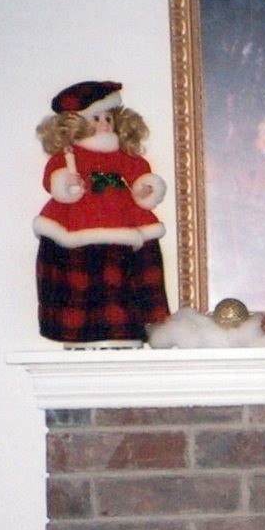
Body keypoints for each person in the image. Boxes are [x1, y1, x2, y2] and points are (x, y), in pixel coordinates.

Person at [33, 79, 171, 344]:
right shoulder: (69, 155)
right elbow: (55, 179)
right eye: (97, 118)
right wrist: (67, 183)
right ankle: (79, 331)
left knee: (122, 277)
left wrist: (144, 189)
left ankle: (127, 328)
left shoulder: (124, 156)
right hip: (77, 222)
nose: (105, 124)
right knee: (83, 278)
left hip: (122, 219)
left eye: (108, 117)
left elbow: (140, 176)